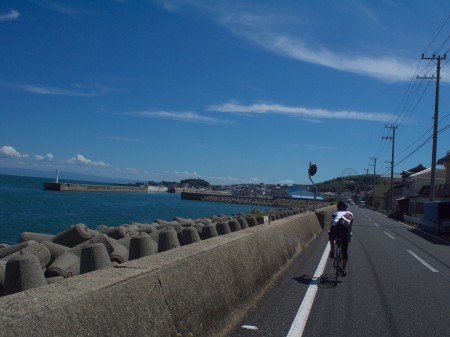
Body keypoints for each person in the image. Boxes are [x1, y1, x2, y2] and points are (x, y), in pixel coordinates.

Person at [328, 200, 353, 276]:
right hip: (344, 231)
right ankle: (343, 268)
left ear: (338, 207)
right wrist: (349, 233)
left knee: (331, 234)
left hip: (335, 228)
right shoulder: (350, 214)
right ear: (345, 208)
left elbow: (332, 223)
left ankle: (332, 248)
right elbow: (350, 226)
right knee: (344, 251)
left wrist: (330, 231)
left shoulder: (335, 213)